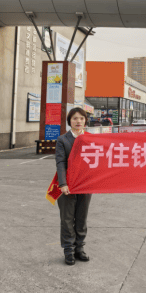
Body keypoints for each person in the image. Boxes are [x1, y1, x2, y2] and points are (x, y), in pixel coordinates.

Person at [55, 107, 92, 266]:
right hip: (68, 185)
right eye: (75, 118)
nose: (78, 121)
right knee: (67, 219)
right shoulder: (62, 140)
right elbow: (60, 163)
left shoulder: (91, 139)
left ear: (85, 121)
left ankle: (79, 248)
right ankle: (68, 250)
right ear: (69, 121)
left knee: (82, 218)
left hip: (85, 184)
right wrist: (63, 183)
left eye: (81, 118)